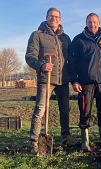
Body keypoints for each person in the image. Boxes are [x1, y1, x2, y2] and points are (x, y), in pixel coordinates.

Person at [25, 7, 74, 155]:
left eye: (57, 17)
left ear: (60, 19)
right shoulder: (37, 35)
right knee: (40, 109)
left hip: (63, 80)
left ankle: (65, 137)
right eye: (51, 16)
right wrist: (41, 65)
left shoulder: (65, 38)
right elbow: (29, 56)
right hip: (46, 79)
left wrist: (73, 78)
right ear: (46, 17)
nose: (54, 19)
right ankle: (34, 140)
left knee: (65, 110)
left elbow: (70, 60)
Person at [69, 13, 101, 151]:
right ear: (86, 23)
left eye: (94, 22)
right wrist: (74, 81)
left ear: (99, 23)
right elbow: (72, 63)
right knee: (85, 110)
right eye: (89, 22)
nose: (92, 24)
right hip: (85, 83)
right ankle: (85, 141)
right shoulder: (78, 40)